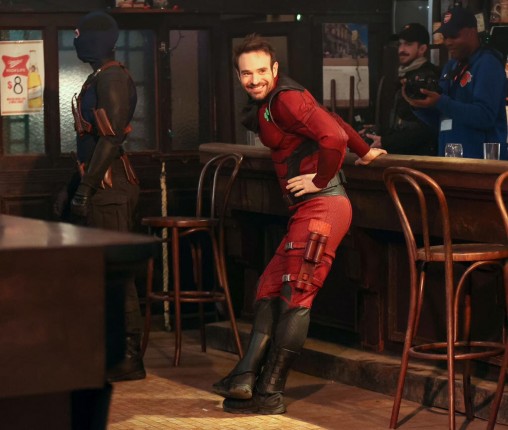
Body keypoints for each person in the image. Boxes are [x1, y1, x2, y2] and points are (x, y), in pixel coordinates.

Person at [212, 33, 386, 415]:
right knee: (268, 288)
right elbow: (332, 119)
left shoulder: (285, 98)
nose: (254, 79)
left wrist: (321, 179)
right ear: (238, 76)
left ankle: (270, 393)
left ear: (275, 69)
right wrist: (364, 150)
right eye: (246, 73)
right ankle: (245, 377)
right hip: (306, 211)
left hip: (323, 208)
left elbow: (331, 135)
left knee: (296, 297)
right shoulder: (275, 101)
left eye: (261, 71)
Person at [70, 10, 145, 382]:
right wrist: (74, 186)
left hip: (109, 188)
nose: (76, 40)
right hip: (100, 184)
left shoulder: (113, 77)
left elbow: (111, 137)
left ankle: (129, 356)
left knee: (117, 272)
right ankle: (109, 351)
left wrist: (84, 189)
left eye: (80, 34)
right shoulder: (100, 76)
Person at [404, 7, 508, 159]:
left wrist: (441, 102)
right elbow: (442, 119)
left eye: (453, 36)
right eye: (445, 37)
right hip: (450, 157)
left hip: (483, 161)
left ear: (472, 32)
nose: (448, 42)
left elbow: (485, 116)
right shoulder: (451, 66)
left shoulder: (488, 63)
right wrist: (418, 105)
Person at [364, 23, 439, 155]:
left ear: (422, 48)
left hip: (420, 158)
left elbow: (426, 128)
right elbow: (403, 120)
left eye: (408, 44)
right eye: (400, 44)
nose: (401, 49)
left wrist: (386, 142)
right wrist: (379, 131)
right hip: (404, 154)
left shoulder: (427, 77)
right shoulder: (405, 74)